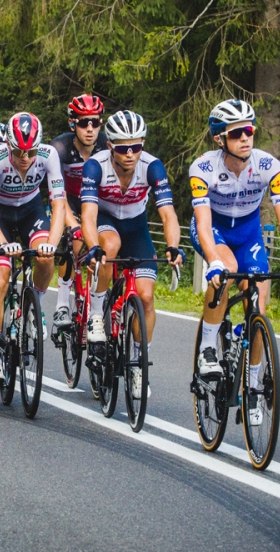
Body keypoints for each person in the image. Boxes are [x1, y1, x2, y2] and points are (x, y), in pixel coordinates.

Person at [189, 100, 280, 424]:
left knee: (258, 299)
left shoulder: (269, 166)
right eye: (237, 133)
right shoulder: (202, 168)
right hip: (214, 230)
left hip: (249, 235)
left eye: (250, 130)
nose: (247, 138)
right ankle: (207, 349)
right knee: (227, 270)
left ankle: (255, 385)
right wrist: (214, 261)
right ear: (220, 139)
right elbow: (202, 223)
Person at [79, 110, 183, 399]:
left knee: (147, 297)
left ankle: (138, 362)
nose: (130, 154)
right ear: (110, 145)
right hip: (106, 221)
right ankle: (97, 315)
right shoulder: (95, 166)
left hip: (137, 228)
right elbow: (88, 214)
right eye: (123, 148)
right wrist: (93, 248)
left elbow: (167, 214)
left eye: (136, 147)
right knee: (109, 246)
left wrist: (173, 247)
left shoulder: (152, 167)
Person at [0, 112, 65, 386]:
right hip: (1, 214)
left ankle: (34, 304)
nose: (25, 157)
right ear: (8, 145)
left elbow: (59, 205)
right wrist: (2, 245)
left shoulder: (49, 155)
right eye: (19, 151)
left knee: (45, 257)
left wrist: (52, 242)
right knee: (0, 278)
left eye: (31, 151)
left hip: (30, 209)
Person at [49, 94, 108, 329]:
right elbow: (57, 193)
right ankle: (63, 303)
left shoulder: (106, 144)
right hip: (67, 200)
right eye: (84, 123)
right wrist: (74, 225)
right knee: (74, 241)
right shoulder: (60, 147)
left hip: (95, 201)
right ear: (72, 123)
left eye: (95, 122)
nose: (90, 128)